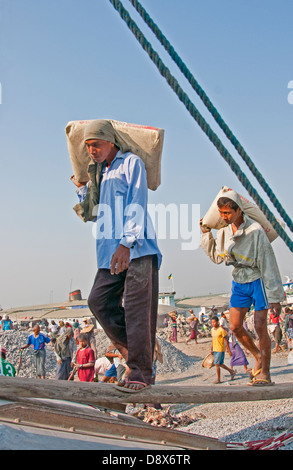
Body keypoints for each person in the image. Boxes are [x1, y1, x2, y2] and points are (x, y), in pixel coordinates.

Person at [72, 119, 162, 392]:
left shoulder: (130, 163)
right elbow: (91, 212)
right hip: (109, 253)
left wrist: (127, 242)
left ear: (110, 142)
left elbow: (137, 200)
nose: (92, 150)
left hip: (136, 249)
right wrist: (81, 187)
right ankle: (137, 357)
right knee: (98, 301)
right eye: (88, 146)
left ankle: (140, 371)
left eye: (96, 144)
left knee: (137, 312)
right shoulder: (98, 173)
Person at [200, 190, 284, 387]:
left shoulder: (255, 231)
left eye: (227, 213)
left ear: (239, 211)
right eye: (221, 213)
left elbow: (268, 262)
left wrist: (275, 297)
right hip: (239, 280)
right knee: (235, 326)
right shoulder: (223, 231)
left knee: (260, 325)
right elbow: (216, 257)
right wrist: (206, 235)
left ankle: (265, 372)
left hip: (258, 279)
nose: (223, 217)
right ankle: (257, 355)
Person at [210, 316, 235, 384]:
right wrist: (211, 348)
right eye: (212, 322)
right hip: (215, 348)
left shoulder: (221, 330)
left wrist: (228, 350)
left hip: (220, 348)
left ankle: (218, 379)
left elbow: (226, 340)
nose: (213, 323)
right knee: (220, 364)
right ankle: (231, 371)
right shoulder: (212, 330)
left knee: (216, 364)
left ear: (217, 322)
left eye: (214, 322)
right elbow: (213, 339)